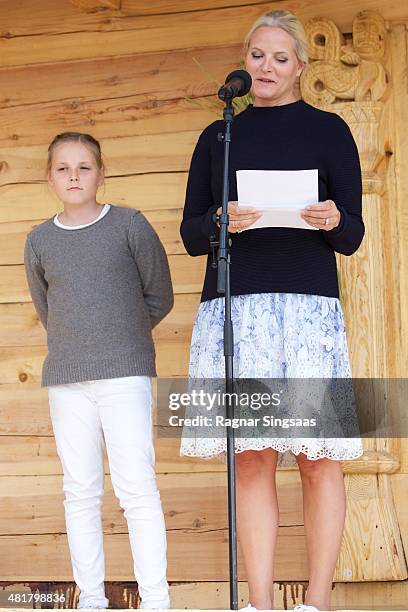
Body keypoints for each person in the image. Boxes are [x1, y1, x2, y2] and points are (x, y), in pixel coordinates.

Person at [179, 10, 364, 612]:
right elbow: (189, 231)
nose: (266, 67)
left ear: (300, 68)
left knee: (315, 455)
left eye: (280, 58)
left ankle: (316, 600)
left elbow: (352, 233)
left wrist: (334, 217)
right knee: (252, 457)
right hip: (237, 309)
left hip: (306, 314)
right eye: (258, 55)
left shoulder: (330, 130)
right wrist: (217, 221)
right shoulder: (219, 136)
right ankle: (258, 603)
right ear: (245, 61)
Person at [24, 132, 174, 610]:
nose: (73, 175)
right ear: (50, 177)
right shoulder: (39, 240)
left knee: (136, 488)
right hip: (67, 381)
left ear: (101, 173)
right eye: (63, 168)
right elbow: (48, 309)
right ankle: (90, 599)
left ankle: (155, 601)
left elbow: (159, 296)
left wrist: (120, 338)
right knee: (80, 491)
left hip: (124, 375)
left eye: (84, 167)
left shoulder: (130, 226)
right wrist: (82, 344)